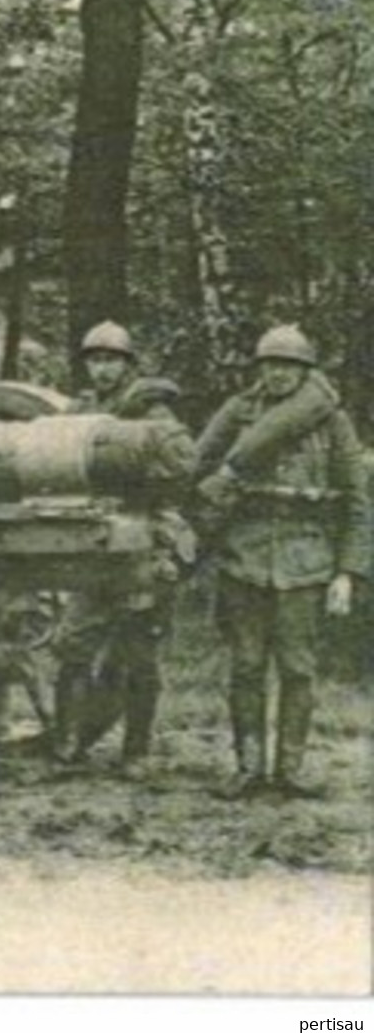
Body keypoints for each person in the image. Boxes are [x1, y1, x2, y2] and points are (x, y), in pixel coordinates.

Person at [194, 325, 369, 801]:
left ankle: (289, 770)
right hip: (243, 555)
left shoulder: (332, 422)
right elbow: (196, 466)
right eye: (269, 365)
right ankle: (248, 768)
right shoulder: (239, 412)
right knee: (246, 666)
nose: (277, 374)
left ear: (306, 371)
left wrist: (348, 572)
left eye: (288, 366)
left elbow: (357, 501)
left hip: (307, 558)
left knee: (298, 668)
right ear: (258, 370)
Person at [49, 322, 196, 777]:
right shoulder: (81, 409)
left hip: (143, 538)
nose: (102, 369)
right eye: (95, 360)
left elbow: (180, 465)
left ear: (129, 365)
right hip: (93, 543)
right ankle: (68, 743)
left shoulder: (154, 412)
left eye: (112, 360)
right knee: (71, 642)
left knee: (139, 651)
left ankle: (137, 751)